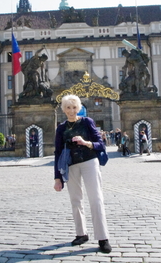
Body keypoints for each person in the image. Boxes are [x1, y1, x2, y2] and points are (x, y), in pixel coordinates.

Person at [53, 95, 111, 254]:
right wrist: (57, 177)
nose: (71, 111)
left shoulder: (87, 122)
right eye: (68, 108)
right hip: (71, 166)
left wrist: (86, 142)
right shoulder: (61, 128)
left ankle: (102, 237)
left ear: (78, 108)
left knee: (96, 198)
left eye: (74, 107)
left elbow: (100, 144)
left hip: (89, 162)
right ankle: (81, 233)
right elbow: (57, 152)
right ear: (63, 109)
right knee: (76, 200)